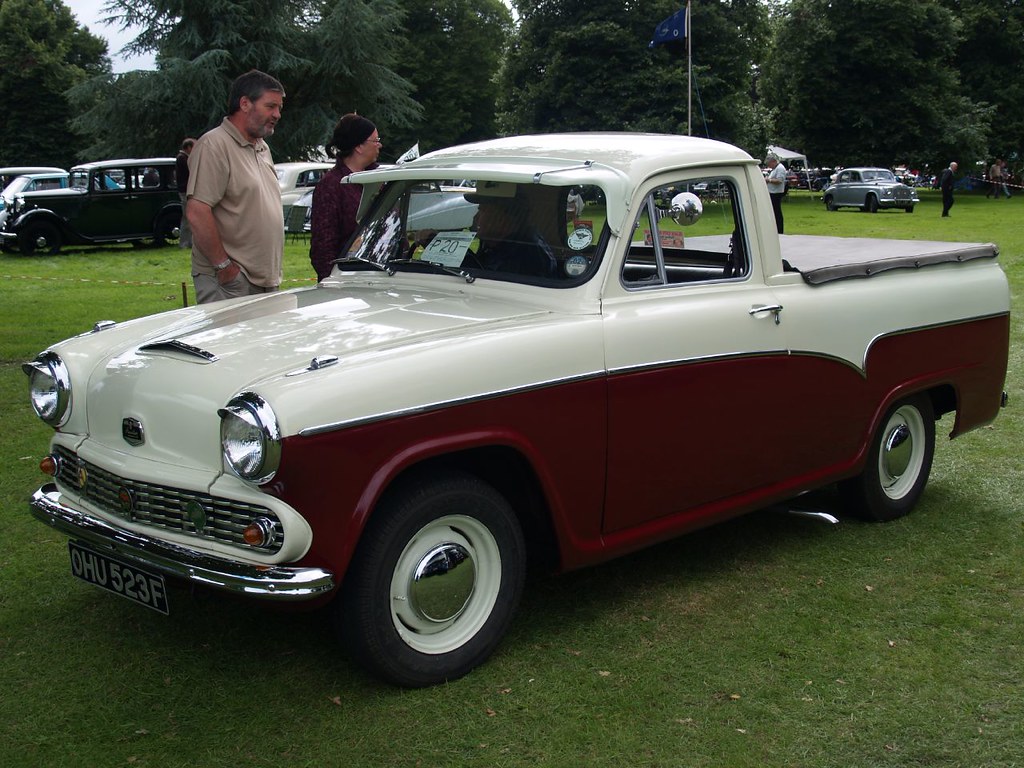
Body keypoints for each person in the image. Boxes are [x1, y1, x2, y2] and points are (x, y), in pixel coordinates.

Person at [186, 69, 286, 304]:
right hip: (231, 283)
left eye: (279, 108)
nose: (277, 114)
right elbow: (197, 211)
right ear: (244, 104)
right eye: (270, 106)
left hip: (264, 280)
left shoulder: (262, 147)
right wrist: (224, 268)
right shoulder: (214, 145)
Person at [309, 113, 381, 281]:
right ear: (359, 146)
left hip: (380, 277)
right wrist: (333, 282)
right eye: (375, 140)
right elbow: (323, 245)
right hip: (345, 281)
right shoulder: (331, 186)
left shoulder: (379, 181)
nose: (380, 145)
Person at [465, 190, 557, 277]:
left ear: (502, 219)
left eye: (483, 211)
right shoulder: (495, 244)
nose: (475, 217)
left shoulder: (525, 255)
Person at [175, 138, 195, 248]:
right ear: (188, 147)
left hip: (187, 190)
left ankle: (190, 241)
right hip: (185, 191)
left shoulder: (183, 158)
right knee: (187, 217)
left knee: (190, 217)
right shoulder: (182, 158)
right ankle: (184, 242)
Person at [764, 153, 787, 233]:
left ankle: (779, 230)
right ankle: (775, 228)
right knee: (774, 211)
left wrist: (769, 180)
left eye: (769, 164)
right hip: (772, 192)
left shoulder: (780, 168)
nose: (769, 166)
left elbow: (779, 180)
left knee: (777, 212)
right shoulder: (775, 169)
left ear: (773, 161)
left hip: (776, 193)